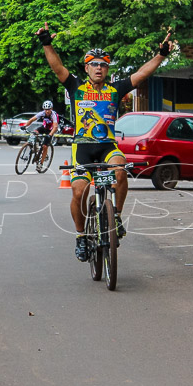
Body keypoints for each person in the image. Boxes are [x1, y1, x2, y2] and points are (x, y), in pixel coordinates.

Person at [39, 22, 174, 261]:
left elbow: (143, 73)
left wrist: (161, 54)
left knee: (120, 170)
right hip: (82, 147)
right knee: (79, 192)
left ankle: (117, 216)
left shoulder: (116, 89)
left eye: (103, 64)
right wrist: (47, 43)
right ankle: (81, 236)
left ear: (107, 68)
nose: (99, 68)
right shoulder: (76, 86)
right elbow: (57, 67)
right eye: (94, 64)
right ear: (87, 67)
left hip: (107, 146)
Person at [20, 101, 60, 172]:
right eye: (45, 109)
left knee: (45, 146)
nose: (47, 111)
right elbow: (32, 119)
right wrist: (25, 126)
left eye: (49, 109)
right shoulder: (42, 113)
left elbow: (55, 127)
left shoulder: (54, 115)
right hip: (44, 127)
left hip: (51, 130)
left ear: (51, 109)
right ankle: (35, 147)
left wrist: (50, 135)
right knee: (34, 133)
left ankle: (40, 164)